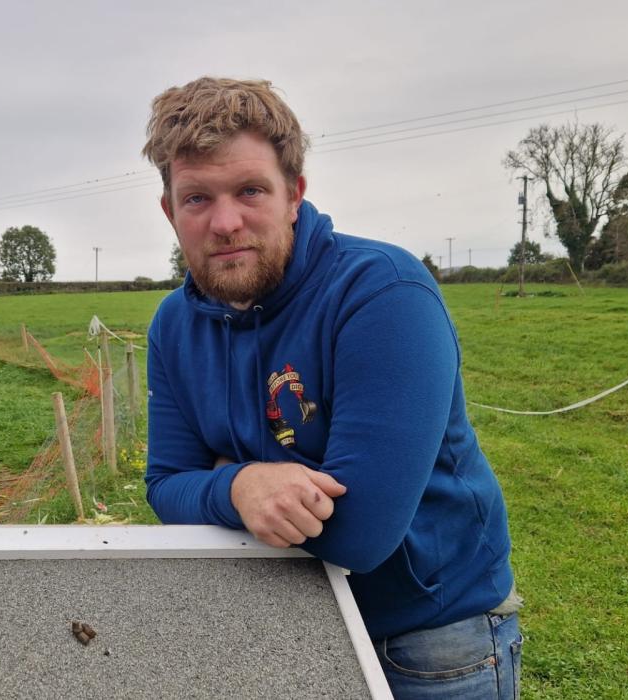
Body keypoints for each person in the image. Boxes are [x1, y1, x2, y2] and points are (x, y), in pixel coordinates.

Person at [140, 76, 522, 699]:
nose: (225, 221)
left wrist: (211, 476)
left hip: (426, 638)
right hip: (275, 614)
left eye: (251, 190)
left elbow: (361, 533)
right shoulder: (174, 325)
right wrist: (242, 484)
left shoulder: (382, 293)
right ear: (169, 211)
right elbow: (163, 487)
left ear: (295, 194)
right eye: (197, 199)